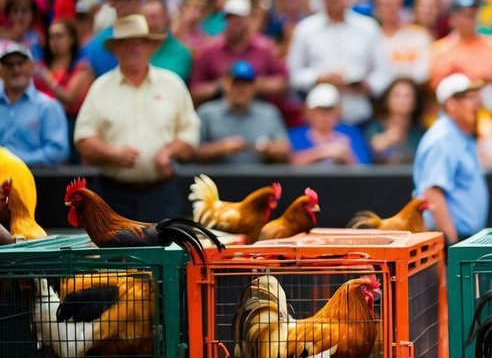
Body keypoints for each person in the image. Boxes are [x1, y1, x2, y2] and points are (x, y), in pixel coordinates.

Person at [73, 15, 199, 221]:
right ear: (116, 49)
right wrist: (111, 153)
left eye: (139, 43)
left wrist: (169, 151)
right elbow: (83, 139)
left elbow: (190, 133)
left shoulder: (172, 84)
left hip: (161, 193)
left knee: (167, 251)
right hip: (112, 195)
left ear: (151, 47)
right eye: (125, 43)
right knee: (114, 253)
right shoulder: (100, 88)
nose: (133, 48)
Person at [286, 0, 392, 126]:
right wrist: (320, 78)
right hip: (318, 120)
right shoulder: (305, 29)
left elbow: (383, 73)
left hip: (358, 115)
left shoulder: (368, 27)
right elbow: (293, 74)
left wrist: (366, 85)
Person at [413, 73, 489, 245]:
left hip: (462, 240)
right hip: (449, 242)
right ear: (451, 104)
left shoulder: (459, 135)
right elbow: (432, 193)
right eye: (470, 98)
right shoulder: (444, 139)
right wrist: (452, 247)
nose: (477, 105)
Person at [190, 0, 290, 114]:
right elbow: (194, 91)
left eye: (239, 18)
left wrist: (256, 84)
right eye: (230, 18)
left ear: (249, 19)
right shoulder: (209, 50)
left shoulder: (265, 48)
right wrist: (221, 86)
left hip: (258, 110)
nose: (234, 23)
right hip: (219, 111)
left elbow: (282, 83)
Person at [194, 61, 290, 165]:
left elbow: (284, 150)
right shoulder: (207, 113)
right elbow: (192, 152)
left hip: (258, 178)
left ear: (254, 86)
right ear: (225, 84)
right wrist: (221, 147)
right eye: (236, 83)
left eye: (246, 84)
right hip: (216, 178)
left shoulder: (269, 113)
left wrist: (268, 148)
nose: (241, 89)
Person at [0, 41, 68, 167]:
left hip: (35, 179)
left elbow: (58, 151)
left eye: (20, 63)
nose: (15, 69)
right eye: (9, 64)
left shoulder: (47, 106)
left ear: (31, 66)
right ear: (0, 69)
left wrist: (18, 162)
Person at [287, 84, 373, 166]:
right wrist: (325, 152)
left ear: (338, 111)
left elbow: (363, 168)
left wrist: (346, 157)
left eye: (329, 110)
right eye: (319, 110)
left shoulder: (351, 133)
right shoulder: (296, 135)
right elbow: (289, 165)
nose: (324, 115)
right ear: (308, 112)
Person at [363, 77, 427, 164]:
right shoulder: (375, 127)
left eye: (407, 96)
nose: (402, 100)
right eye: (397, 95)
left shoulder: (421, 133)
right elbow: (370, 150)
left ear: (416, 101)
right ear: (387, 101)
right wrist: (386, 139)